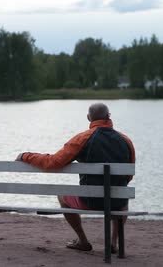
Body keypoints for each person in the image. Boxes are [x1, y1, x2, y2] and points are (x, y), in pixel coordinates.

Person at [16, 103, 135, 252]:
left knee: (62, 196)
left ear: (88, 118)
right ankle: (113, 243)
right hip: (117, 203)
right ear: (109, 116)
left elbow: (53, 163)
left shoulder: (82, 138)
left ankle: (83, 241)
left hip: (90, 201)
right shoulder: (126, 141)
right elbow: (129, 176)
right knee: (123, 199)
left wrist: (25, 156)